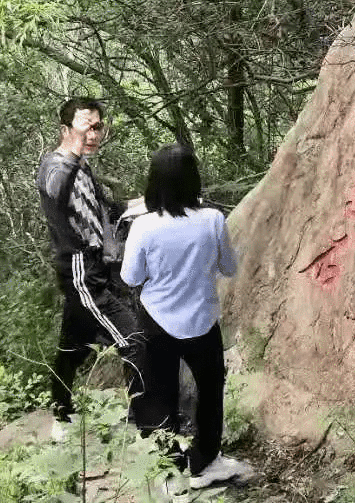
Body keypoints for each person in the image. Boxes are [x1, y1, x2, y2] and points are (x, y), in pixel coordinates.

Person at [120, 143, 251, 489]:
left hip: (157, 321)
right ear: (194, 180)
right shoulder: (212, 220)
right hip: (202, 320)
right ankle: (205, 462)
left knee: (160, 394)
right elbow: (228, 266)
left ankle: (169, 475)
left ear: (154, 182)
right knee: (210, 391)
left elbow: (130, 278)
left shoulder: (144, 227)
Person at [35, 96, 143, 442]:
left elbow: (110, 209)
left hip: (92, 268)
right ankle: (146, 419)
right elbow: (55, 191)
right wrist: (74, 152)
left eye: (99, 127)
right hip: (81, 270)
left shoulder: (83, 170)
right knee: (135, 339)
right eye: (87, 127)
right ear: (65, 130)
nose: (95, 134)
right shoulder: (55, 166)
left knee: (72, 348)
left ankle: (61, 417)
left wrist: (163, 200)